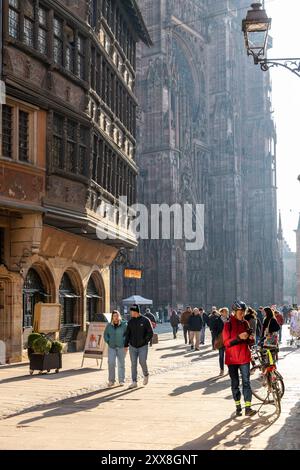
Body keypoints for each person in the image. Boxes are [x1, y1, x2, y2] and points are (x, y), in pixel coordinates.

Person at [223, 300, 256, 417]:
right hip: (232, 359)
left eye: (244, 312)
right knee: (235, 383)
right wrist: (238, 337)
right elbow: (226, 343)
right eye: (240, 312)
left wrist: (251, 338)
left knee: (246, 382)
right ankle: (238, 407)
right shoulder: (228, 325)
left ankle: (248, 407)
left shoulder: (246, 323)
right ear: (235, 312)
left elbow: (250, 342)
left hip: (244, 357)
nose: (242, 314)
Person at [124, 304, 153, 389]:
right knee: (133, 364)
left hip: (143, 346)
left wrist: (145, 341)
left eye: (131, 311)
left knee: (142, 361)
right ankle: (134, 381)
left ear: (135, 311)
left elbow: (150, 333)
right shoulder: (130, 322)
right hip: (132, 346)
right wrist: (125, 345)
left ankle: (146, 374)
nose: (130, 313)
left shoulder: (145, 320)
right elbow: (127, 334)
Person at [104, 310, 128, 387]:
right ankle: (111, 381)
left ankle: (121, 380)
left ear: (119, 316)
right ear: (112, 317)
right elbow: (105, 335)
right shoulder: (109, 325)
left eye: (117, 315)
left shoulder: (124, 325)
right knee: (111, 363)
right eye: (114, 316)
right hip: (112, 347)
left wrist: (125, 343)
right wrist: (108, 341)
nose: (116, 317)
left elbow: (127, 334)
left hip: (121, 347)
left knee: (121, 363)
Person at [212, 307, 229, 376]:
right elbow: (214, 329)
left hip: (228, 340)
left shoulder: (230, 320)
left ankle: (229, 369)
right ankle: (221, 370)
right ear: (221, 312)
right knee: (221, 355)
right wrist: (217, 336)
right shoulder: (217, 320)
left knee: (228, 356)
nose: (226, 313)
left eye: (227, 312)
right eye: (224, 312)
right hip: (221, 340)